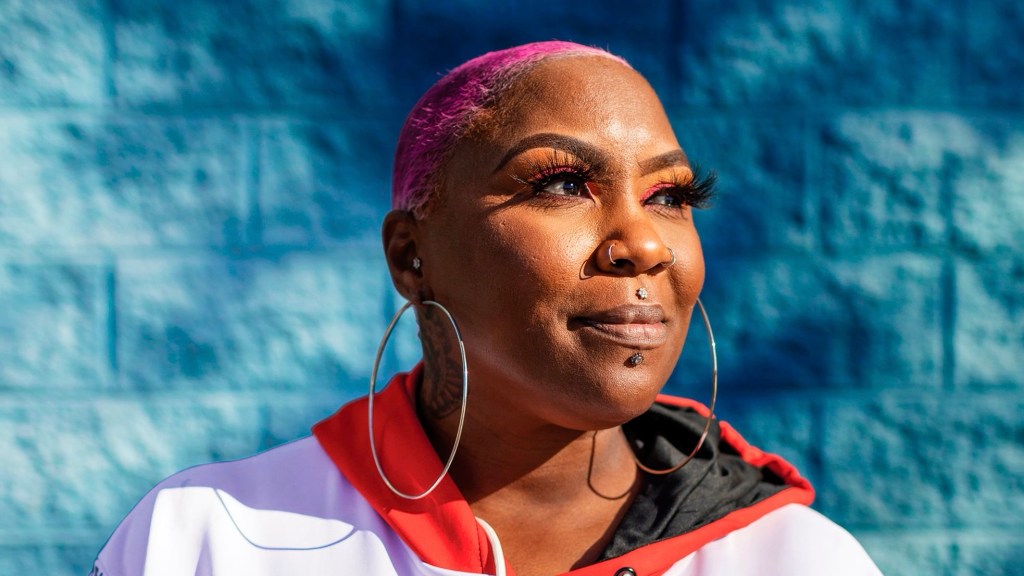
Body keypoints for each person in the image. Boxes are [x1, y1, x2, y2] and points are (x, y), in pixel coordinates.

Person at [91, 41, 882, 576]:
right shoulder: (207, 541)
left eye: (671, 196)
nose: (644, 245)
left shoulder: (797, 560)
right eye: (564, 184)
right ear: (411, 255)